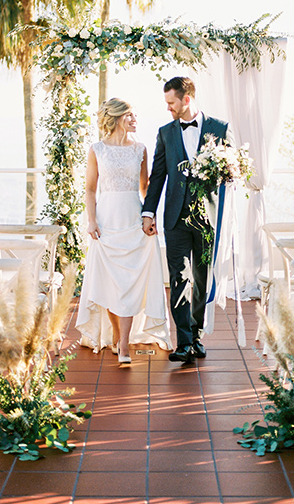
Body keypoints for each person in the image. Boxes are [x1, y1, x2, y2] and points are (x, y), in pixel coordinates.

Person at [142, 76, 232, 363]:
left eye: (171, 103)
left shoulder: (219, 129)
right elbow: (157, 176)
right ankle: (183, 341)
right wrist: (148, 212)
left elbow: (230, 170)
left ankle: (197, 335)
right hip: (175, 218)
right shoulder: (165, 133)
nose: (168, 108)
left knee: (202, 278)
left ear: (187, 99)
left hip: (208, 218)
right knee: (179, 278)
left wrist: (226, 170)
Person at [76, 98, 172, 365]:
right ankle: (118, 337)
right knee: (110, 283)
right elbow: (91, 189)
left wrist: (149, 216)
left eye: (134, 114)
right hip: (106, 222)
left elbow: (145, 188)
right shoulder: (97, 149)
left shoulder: (140, 149)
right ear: (117, 118)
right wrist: (91, 221)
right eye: (129, 115)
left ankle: (126, 345)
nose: (134, 119)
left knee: (129, 284)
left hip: (132, 219)